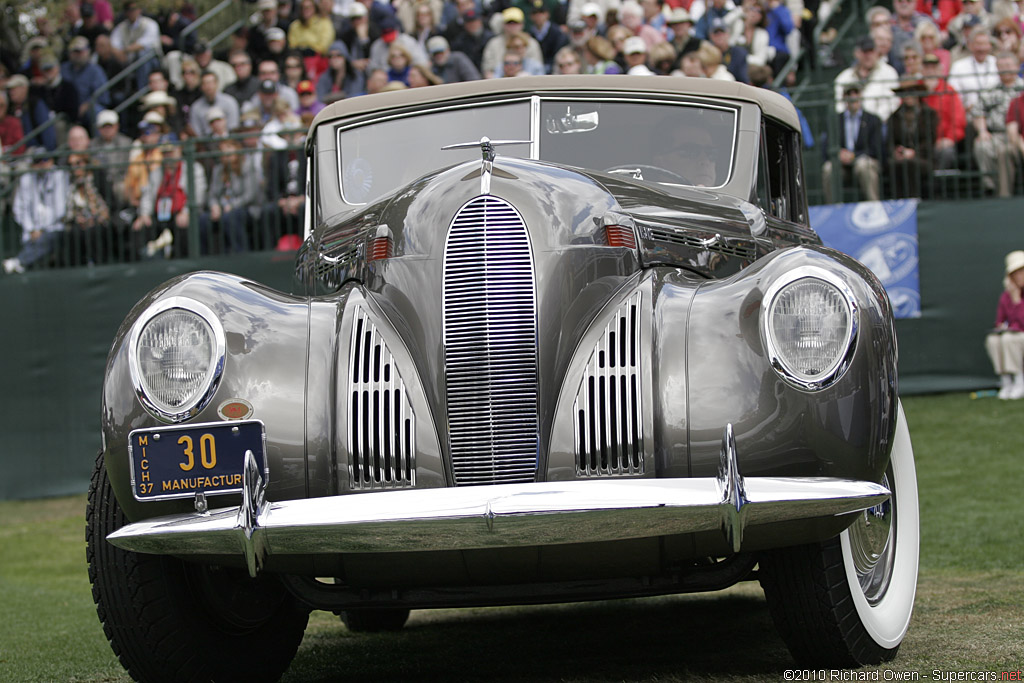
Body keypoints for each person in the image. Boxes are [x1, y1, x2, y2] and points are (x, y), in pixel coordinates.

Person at [4, 150, 71, 274]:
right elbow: (19, 209)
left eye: (44, 161)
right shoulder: (26, 179)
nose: (41, 165)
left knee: (49, 238)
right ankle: (21, 263)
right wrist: (32, 229)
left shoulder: (60, 175)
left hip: (54, 228)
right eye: (38, 162)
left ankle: (19, 262)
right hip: (32, 232)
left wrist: (41, 229)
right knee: (36, 242)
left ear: (51, 161)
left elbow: (60, 208)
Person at [972, 51, 1024, 196]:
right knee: (982, 145)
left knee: (1005, 151)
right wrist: (982, 131)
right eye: (1001, 66)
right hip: (995, 134)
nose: (1005, 69)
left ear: (1017, 67)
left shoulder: (1022, 89)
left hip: (1018, 135)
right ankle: (990, 185)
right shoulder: (990, 89)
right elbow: (978, 112)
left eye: (1008, 65)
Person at [822, 84, 883, 203]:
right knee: (828, 168)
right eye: (849, 94)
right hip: (841, 163)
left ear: (861, 96)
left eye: (856, 93)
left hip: (864, 160)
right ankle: (832, 208)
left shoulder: (872, 119)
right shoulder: (835, 120)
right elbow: (827, 146)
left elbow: (876, 149)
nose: (853, 97)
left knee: (864, 166)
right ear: (844, 98)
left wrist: (854, 155)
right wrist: (838, 154)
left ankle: (874, 205)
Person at [888, 79, 939, 198]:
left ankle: (913, 200)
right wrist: (896, 151)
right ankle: (899, 202)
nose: (908, 96)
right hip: (901, 158)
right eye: (904, 92)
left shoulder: (929, 114)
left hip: (924, 157)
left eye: (911, 91)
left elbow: (930, 140)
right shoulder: (894, 117)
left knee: (910, 164)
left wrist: (913, 152)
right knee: (895, 165)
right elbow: (890, 141)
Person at [834, 36, 900, 123]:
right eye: (865, 52)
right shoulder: (844, 77)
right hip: (853, 122)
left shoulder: (889, 72)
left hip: (881, 123)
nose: (868, 56)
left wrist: (875, 120)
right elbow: (839, 106)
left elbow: (893, 102)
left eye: (871, 51)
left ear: (876, 52)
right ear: (856, 53)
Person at [986, 250, 1024, 399]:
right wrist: (1001, 327)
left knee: (1009, 338)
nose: (1020, 276)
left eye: (1022, 271)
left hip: (1017, 338)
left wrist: (1016, 300)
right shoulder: (1005, 297)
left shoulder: (1013, 296)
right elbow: (999, 321)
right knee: (993, 340)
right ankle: (1006, 382)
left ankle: (1019, 381)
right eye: (1016, 272)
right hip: (1013, 336)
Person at [922, 53, 967, 170]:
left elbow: (958, 119)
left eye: (933, 67)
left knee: (946, 152)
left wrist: (949, 138)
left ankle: (937, 186)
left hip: (942, 141)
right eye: (927, 68)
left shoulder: (949, 90)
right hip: (920, 142)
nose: (930, 71)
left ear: (939, 70)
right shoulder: (916, 88)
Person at [109, 0, 162, 89]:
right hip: (129, 61)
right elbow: (113, 44)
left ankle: (142, 89)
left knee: (142, 55)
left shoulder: (150, 23)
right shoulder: (121, 27)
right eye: (128, 9)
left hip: (153, 62)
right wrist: (119, 53)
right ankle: (121, 91)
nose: (131, 12)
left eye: (133, 9)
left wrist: (124, 50)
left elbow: (143, 44)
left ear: (139, 10)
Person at [190, 71, 241, 138]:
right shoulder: (196, 107)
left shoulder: (230, 102)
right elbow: (197, 133)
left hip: (229, 141)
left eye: (211, 83)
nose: (208, 86)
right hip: (206, 144)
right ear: (201, 86)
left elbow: (234, 128)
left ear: (217, 84)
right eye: (205, 83)